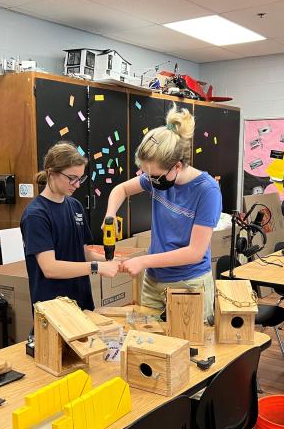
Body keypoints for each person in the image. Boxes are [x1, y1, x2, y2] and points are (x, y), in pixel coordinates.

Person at [104, 105, 222, 322]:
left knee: (189, 348)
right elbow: (120, 189)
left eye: (155, 176)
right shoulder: (157, 179)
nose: (150, 181)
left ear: (177, 166)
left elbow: (195, 252)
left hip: (188, 283)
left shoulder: (207, 191)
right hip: (154, 281)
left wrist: (144, 261)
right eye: (147, 175)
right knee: (151, 346)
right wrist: (110, 215)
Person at [20, 141, 119, 313]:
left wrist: (111, 261)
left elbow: (82, 252)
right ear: (51, 172)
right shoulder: (36, 215)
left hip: (82, 301)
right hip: (54, 308)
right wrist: (97, 267)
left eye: (80, 178)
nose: (77, 184)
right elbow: (50, 268)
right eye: (72, 178)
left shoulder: (75, 206)